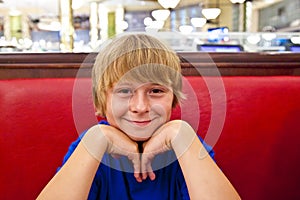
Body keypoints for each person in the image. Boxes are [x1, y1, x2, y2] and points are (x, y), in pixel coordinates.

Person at [37, 33, 240, 199]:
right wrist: (98, 137)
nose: (140, 107)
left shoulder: (186, 147)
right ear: (102, 100)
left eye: (156, 91)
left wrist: (181, 133)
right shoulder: (90, 148)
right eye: (124, 91)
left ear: (173, 98)